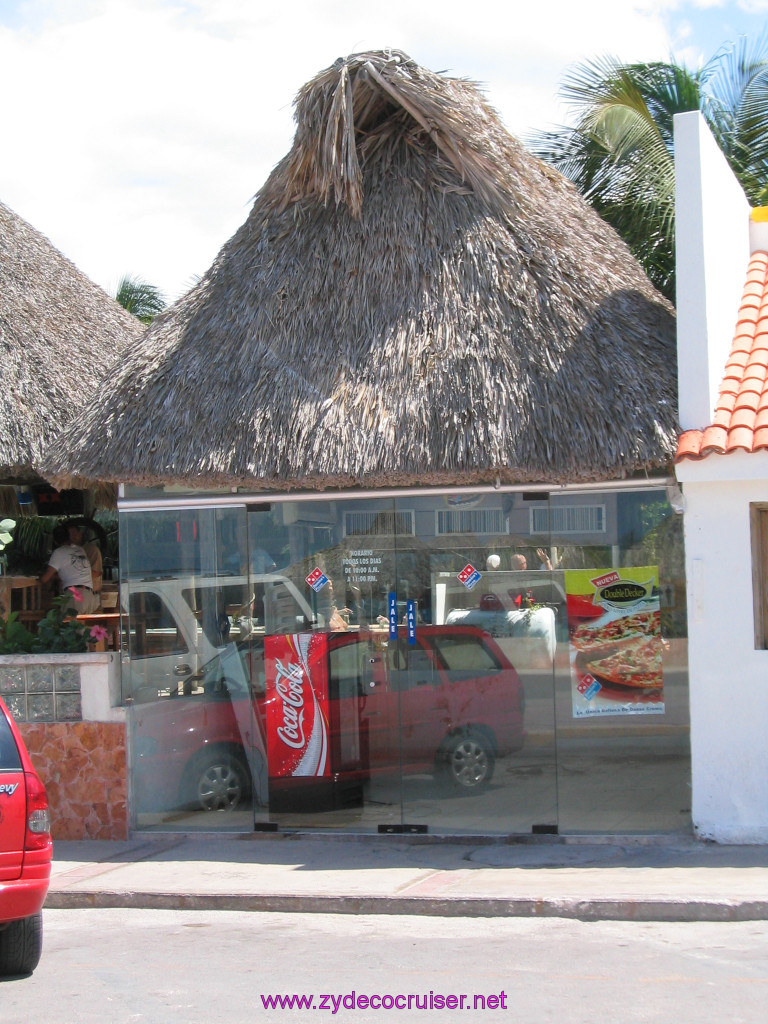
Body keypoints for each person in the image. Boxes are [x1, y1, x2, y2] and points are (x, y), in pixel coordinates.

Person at [40, 525, 100, 614]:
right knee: (83, 626)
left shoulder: (58, 552)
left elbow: (44, 579)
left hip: (75, 595)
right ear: (69, 537)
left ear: (55, 541)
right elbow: (73, 572)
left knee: (72, 626)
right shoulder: (80, 549)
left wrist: (38, 577)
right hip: (88, 595)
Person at [67, 522, 103, 606]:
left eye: (74, 533)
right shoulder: (66, 552)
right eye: (69, 534)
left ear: (80, 534)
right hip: (71, 594)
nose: (72, 537)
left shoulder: (92, 550)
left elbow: (96, 573)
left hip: (88, 594)